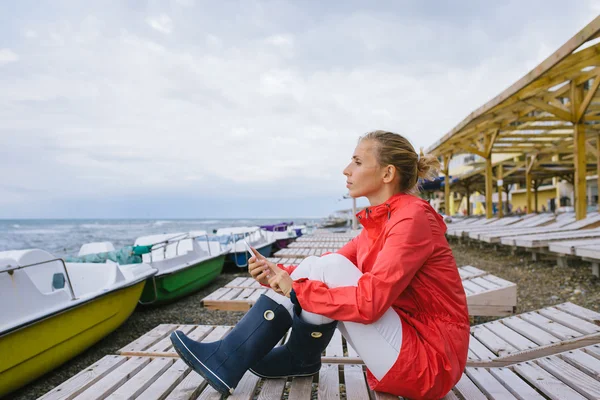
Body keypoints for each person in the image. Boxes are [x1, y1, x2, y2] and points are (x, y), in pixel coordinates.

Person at [170, 130, 470, 399]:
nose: (346, 170)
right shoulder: (382, 221)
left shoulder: (411, 218)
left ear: (387, 173)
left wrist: (295, 289)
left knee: (328, 269)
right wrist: (276, 274)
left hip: (430, 362)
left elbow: (371, 302)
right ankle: (283, 358)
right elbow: (322, 268)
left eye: (357, 162)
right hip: (405, 342)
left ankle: (243, 356)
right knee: (322, 264)